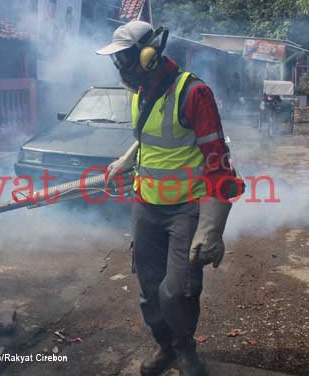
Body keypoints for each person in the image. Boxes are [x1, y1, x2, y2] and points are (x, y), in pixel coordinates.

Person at [97, 21, 240, 376]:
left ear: (149, 55)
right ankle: (165, 347)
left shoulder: (195, 93)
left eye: (124, 59)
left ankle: (186, 350)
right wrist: (125, 160)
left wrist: (212, 228)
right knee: (148, 288)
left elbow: (219, 164)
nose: (119, 68)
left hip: (186, 209)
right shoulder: (139, 90)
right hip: (146, 204)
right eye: (116, 61)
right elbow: (149, 138)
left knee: (178, 291)